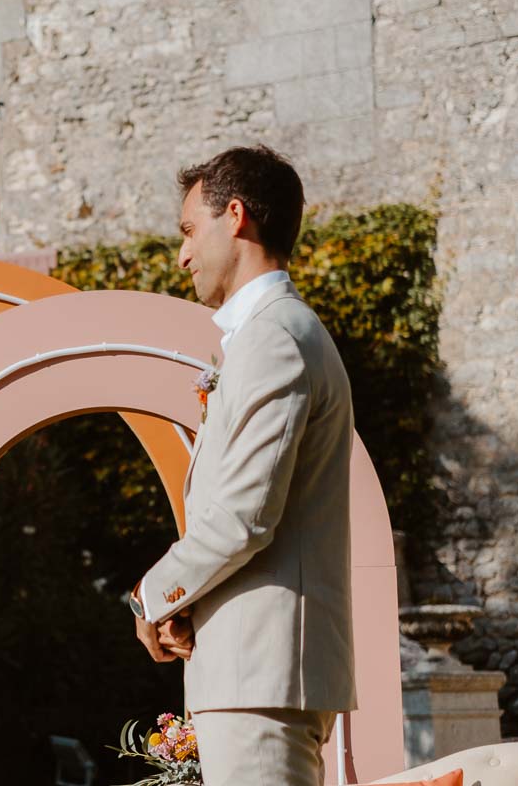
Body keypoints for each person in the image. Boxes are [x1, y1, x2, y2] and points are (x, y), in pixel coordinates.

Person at [129, 146, 357, 786]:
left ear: (235, 217)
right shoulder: (276, 335)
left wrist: (153, 596)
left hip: (262, 672)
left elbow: (244, 517)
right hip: (258, 668)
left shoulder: (273, 339)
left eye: (188, 230)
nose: (182, 254)